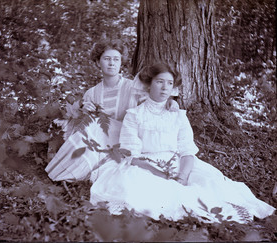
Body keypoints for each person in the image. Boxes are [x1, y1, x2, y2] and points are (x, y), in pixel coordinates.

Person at [89, 63, 276, 223]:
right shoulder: (134, 115)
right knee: (141, 190)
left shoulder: (178, 115)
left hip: (178, 163)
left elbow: (187, 151)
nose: (164, 88)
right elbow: (132, 155)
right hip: (145, 165)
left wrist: (183, 176)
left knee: (210, 185)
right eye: (159, 82)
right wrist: (159, 172)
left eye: (169, 83)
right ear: (148, 85)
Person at [45, 39, 178, 182]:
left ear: (121, 62)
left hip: (130, 139)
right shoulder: (91, 93)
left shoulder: (133, 87)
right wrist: (85, 111)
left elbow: (152, 105)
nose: (112, 63)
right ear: (97, 62)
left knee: (95, 125)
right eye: (107, 59)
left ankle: (73, 171)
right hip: (101, 140)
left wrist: (169, 102)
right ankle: (68, 170)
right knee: (88, 124)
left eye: (116, 59)